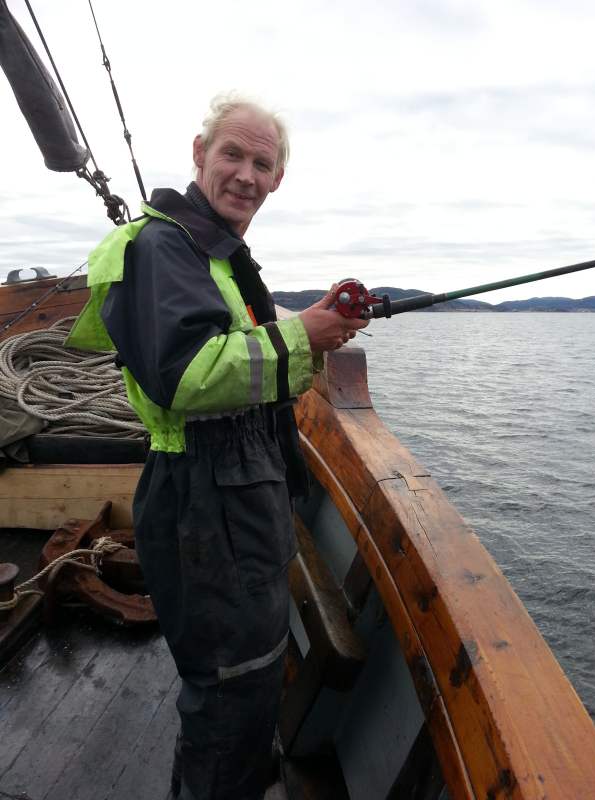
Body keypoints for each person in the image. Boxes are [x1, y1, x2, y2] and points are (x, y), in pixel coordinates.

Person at [67, 92, 368, 799]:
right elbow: (185, 374)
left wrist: (309, 327)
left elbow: (235, 342)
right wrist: (302, 336)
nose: (246, 175)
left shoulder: (212, 255)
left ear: (277, 180)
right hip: (207, 500)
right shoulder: (160, 246)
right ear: (200, 154)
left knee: (246, 679)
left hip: (236, 496)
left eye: (262, 164)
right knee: (232, 690)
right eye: (232, 154)